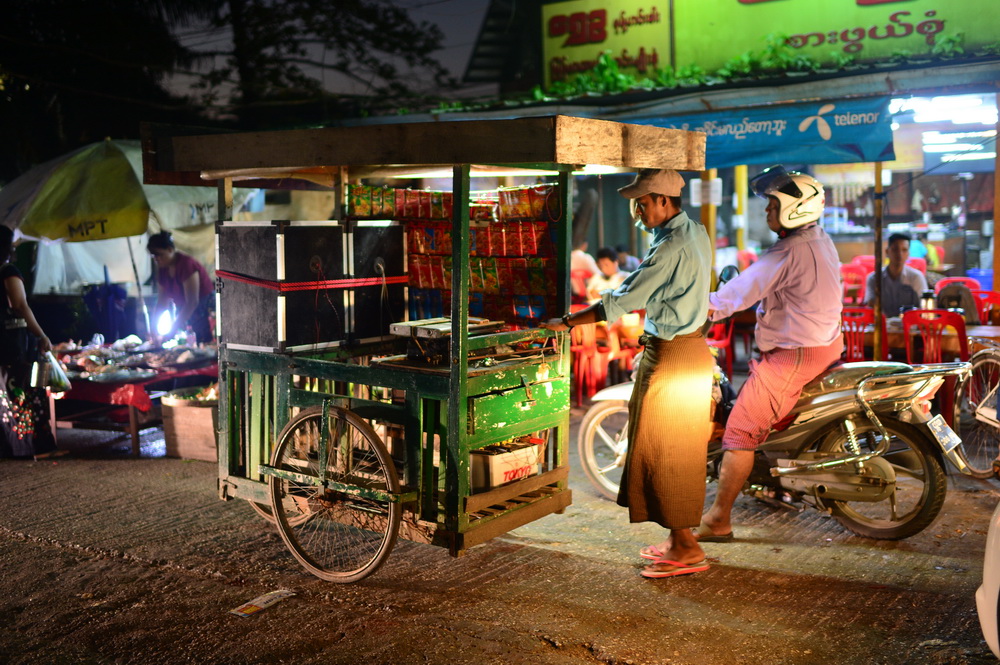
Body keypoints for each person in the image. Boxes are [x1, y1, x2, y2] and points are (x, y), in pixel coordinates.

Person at [542, 168, 715, 579]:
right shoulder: (696, 232)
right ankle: (679, 540)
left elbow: (622, 299)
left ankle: (687, 548)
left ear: (663, 200)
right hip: (688, 351)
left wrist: (568, 321)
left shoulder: (671, 245)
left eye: (642, 203)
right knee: (677, 449)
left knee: (662, 448)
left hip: (672, 357)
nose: (637, 213)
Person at [687, 166, 843, 546]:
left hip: (795, 356)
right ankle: (775, 483)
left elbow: (734, 295)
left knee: (740, 431)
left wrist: (695, 308)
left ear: (794, 209)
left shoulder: (787, 251)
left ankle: (719, 519)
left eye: (773, 204)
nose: (766, 211)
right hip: (825, 344)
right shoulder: (820, 239)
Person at [0, 225, 60, 459]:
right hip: (11, 344)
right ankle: (24, 447)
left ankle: (6, 447)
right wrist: (41, 334)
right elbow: (20, 305)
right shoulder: (8, 271)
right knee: (19, 393)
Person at [147, 231, 214, 345]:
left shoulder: (186, 264)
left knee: (203, 344)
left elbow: (192, 302)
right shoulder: (162, 269)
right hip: (185, 311)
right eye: (154, 256)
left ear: (169, 249)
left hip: (203, 309)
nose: (156, 259)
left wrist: (173, 329)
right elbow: (162, 302)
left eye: (159, 254)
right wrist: (153, 329)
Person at [863, 232, 928, 317]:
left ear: (908, 254)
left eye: (904, 250)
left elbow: (923, 308)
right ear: (887, 252)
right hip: (882, 326)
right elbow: (870, 307)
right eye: (895, 249)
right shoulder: (874, 278)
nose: (899, 254)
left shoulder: (916, 277)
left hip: (909, 326)